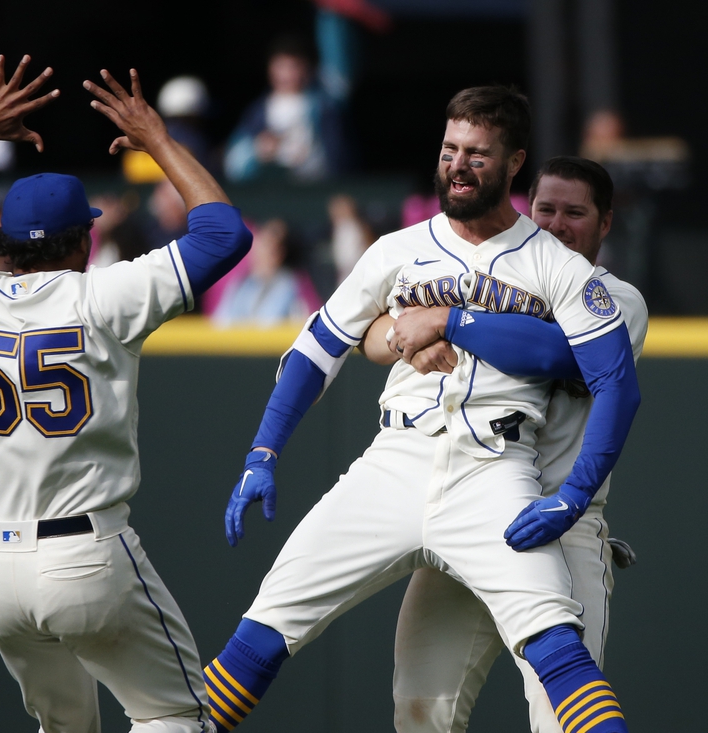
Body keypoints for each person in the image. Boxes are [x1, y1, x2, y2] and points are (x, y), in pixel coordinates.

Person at [201, 86, 640, 733]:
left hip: (496, 469)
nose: (458, 166)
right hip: (394, 459)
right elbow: (315, 349)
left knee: (557, 653)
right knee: (268, 629)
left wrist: (446, 321)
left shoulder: (563, 268)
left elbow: (601, 374)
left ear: (514, 161)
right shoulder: (395, 250)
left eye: (478, 154)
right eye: (450, 150)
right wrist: (263, 450)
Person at [0, 55, 252, 733]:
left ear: (1, 240)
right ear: (83, 243)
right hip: (87, 557)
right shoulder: (102, 294)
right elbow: (223, 233)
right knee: (176, 714)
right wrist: (157, 138)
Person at [373, 157, 647, 733]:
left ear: (605, 223)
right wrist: (406, 330)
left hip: (562, 525)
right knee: (421, 713)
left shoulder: (617, 300)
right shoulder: (488, 285)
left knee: (563, 719)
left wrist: (446, 319)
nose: (556, 224)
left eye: (576, 212)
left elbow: (552, 353)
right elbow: (370, 327)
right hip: (467, 510)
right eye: (545, 208)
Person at [223, 35, 346, 182]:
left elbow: (339, 156)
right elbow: (233, 163)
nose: (287, 74)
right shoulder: (257, 112)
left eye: (294, 67)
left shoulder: (325, 105)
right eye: (281, 66)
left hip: (315, 187)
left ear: (307, 69)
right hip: (274, 191)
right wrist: (257, 149)